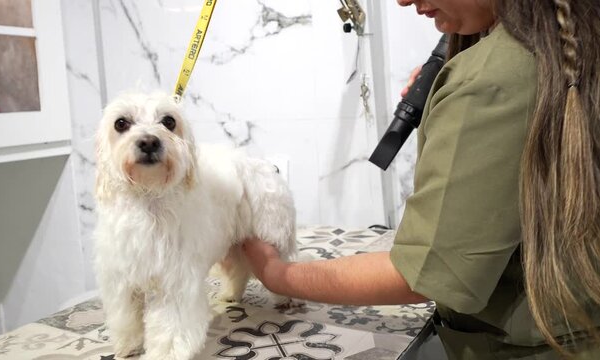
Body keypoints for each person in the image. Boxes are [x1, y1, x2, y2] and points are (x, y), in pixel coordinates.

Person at [242, 0, 600, 359]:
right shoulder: (572, 39)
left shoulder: (495, 77)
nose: (402, 0)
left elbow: (422, 275)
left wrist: (278, 274)